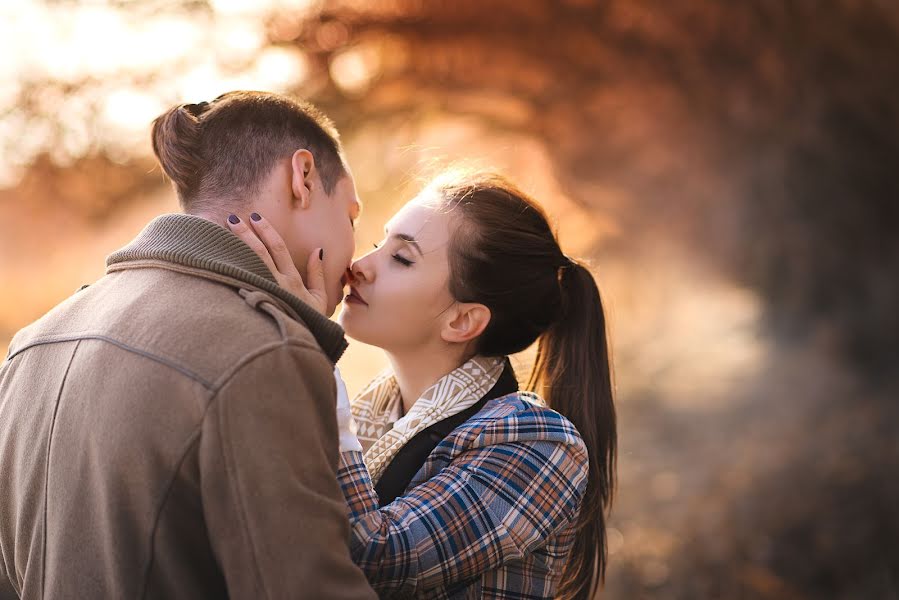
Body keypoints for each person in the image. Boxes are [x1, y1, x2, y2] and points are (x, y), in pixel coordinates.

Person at [0, 91, 375, 599]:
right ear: (302, 177)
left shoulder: (31, 343)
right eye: (350, 217)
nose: (354, 260)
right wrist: (301, 339)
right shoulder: (264, 354)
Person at [231, 170, 618, 599]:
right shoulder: (370, 413)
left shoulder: (537, 443)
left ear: (462, 320)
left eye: (401, 258)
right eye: (380, 244)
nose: (359, 267)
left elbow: (372, 561)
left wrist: (311, 353)